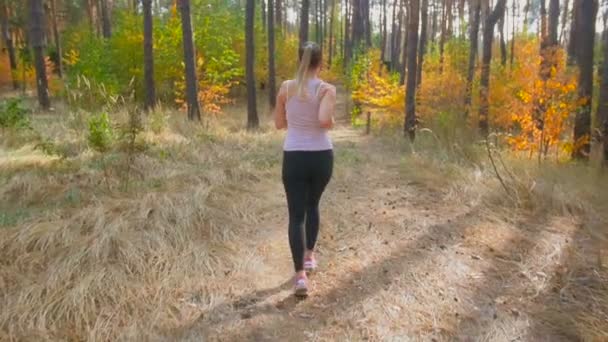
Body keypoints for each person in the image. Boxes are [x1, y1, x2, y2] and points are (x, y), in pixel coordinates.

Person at [274, 41, 336, 297]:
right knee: (313, 206)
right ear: (320, 63)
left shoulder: (286, 88)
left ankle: (300, 277)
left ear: (300, 61)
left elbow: (279, 124)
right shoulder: (325, 88)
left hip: (295, 157)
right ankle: (309, 256)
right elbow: (324, 121)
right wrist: (331, 118)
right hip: (321, 157)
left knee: (296, 215)